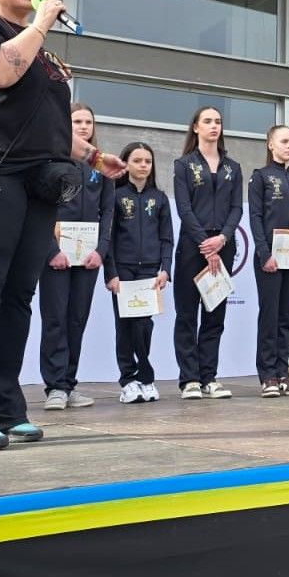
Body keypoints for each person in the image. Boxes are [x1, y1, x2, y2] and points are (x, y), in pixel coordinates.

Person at [0, 0, 125, 452]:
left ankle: (5, 406)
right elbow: (0, 73)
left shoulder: (41, 52)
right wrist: (41, 21)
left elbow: (45, 123)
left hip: (38, 179)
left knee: (19, 293)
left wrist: (92, 157)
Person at [38, 103, 114, 412]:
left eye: (88, 122)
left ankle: (69, 383)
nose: (83, 127)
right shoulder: (51, 158)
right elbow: (39, 209)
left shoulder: (100, 164)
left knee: (76, 320)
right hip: (56, 255)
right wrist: (50, 250)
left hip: (89, 257)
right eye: (77, 121)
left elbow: (108, 211)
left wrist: (101, 250)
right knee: (55, 319)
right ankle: (54, 386)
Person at [172, 106, 243, 401]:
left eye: (218, 121)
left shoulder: (232, 167)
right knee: (187, 314)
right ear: (196, 128)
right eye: (208, 121)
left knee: (215, 314)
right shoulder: (184, 165)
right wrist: (205, 242)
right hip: (193, 246)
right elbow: (184, 208)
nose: (214, 126)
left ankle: (208, 377)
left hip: (223, 247)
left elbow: (237, 208)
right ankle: (189, 378)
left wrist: (222, 239)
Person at [105, 142, 174, 405]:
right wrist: (110, 273)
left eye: (147, 161)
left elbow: (167, 238)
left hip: (150, 272)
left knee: (144, 325)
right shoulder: (115, 195)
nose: (143, 165)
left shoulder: (160, 198)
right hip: (123, 271)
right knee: (124, 326)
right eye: (137, 160)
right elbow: (108, 238)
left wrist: (165, 269)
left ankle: (145, 377)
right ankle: (129, 380)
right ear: (126, 164)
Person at [250, 125, 289, 398]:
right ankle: (268, 376)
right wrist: (265, 254)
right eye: (284, 141)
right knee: (270, 316)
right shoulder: (261, 177)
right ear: (271, 145)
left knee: (287, 318)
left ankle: (284, 372)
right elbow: (255, 217)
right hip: (270, 260)